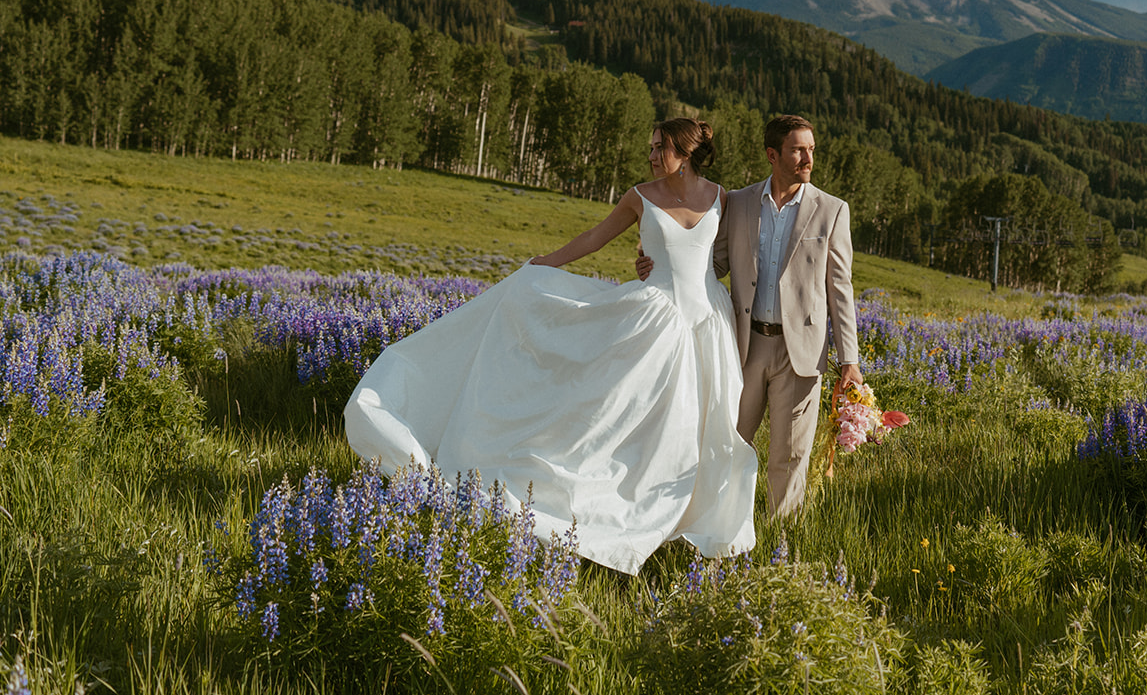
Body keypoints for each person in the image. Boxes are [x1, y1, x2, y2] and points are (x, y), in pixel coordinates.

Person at [344, 118, 757, 575]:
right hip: (655, 319)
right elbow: (595, 237)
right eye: (652, 148)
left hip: (707, 322)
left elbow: (717, 258)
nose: (652, 156)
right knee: (641, 420)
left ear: (684, 151)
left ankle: (686, 516)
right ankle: (628, 515)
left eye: (661, 148)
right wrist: (544, 264)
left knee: (703, 423)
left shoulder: (720, 196)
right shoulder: (640, 195)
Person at [640, 114, 861, 516]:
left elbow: (839, 289)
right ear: (772, 155)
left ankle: (780, 550)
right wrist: (657, 261)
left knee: (789, 457)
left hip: (801, 355)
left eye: (811, 149)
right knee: (726, 443)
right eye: (798, 149)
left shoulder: (832, 210)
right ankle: (715, 530)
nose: (808, 158)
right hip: (742, 346)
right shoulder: (739, 202)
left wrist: (850, 360)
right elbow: (713, 262)